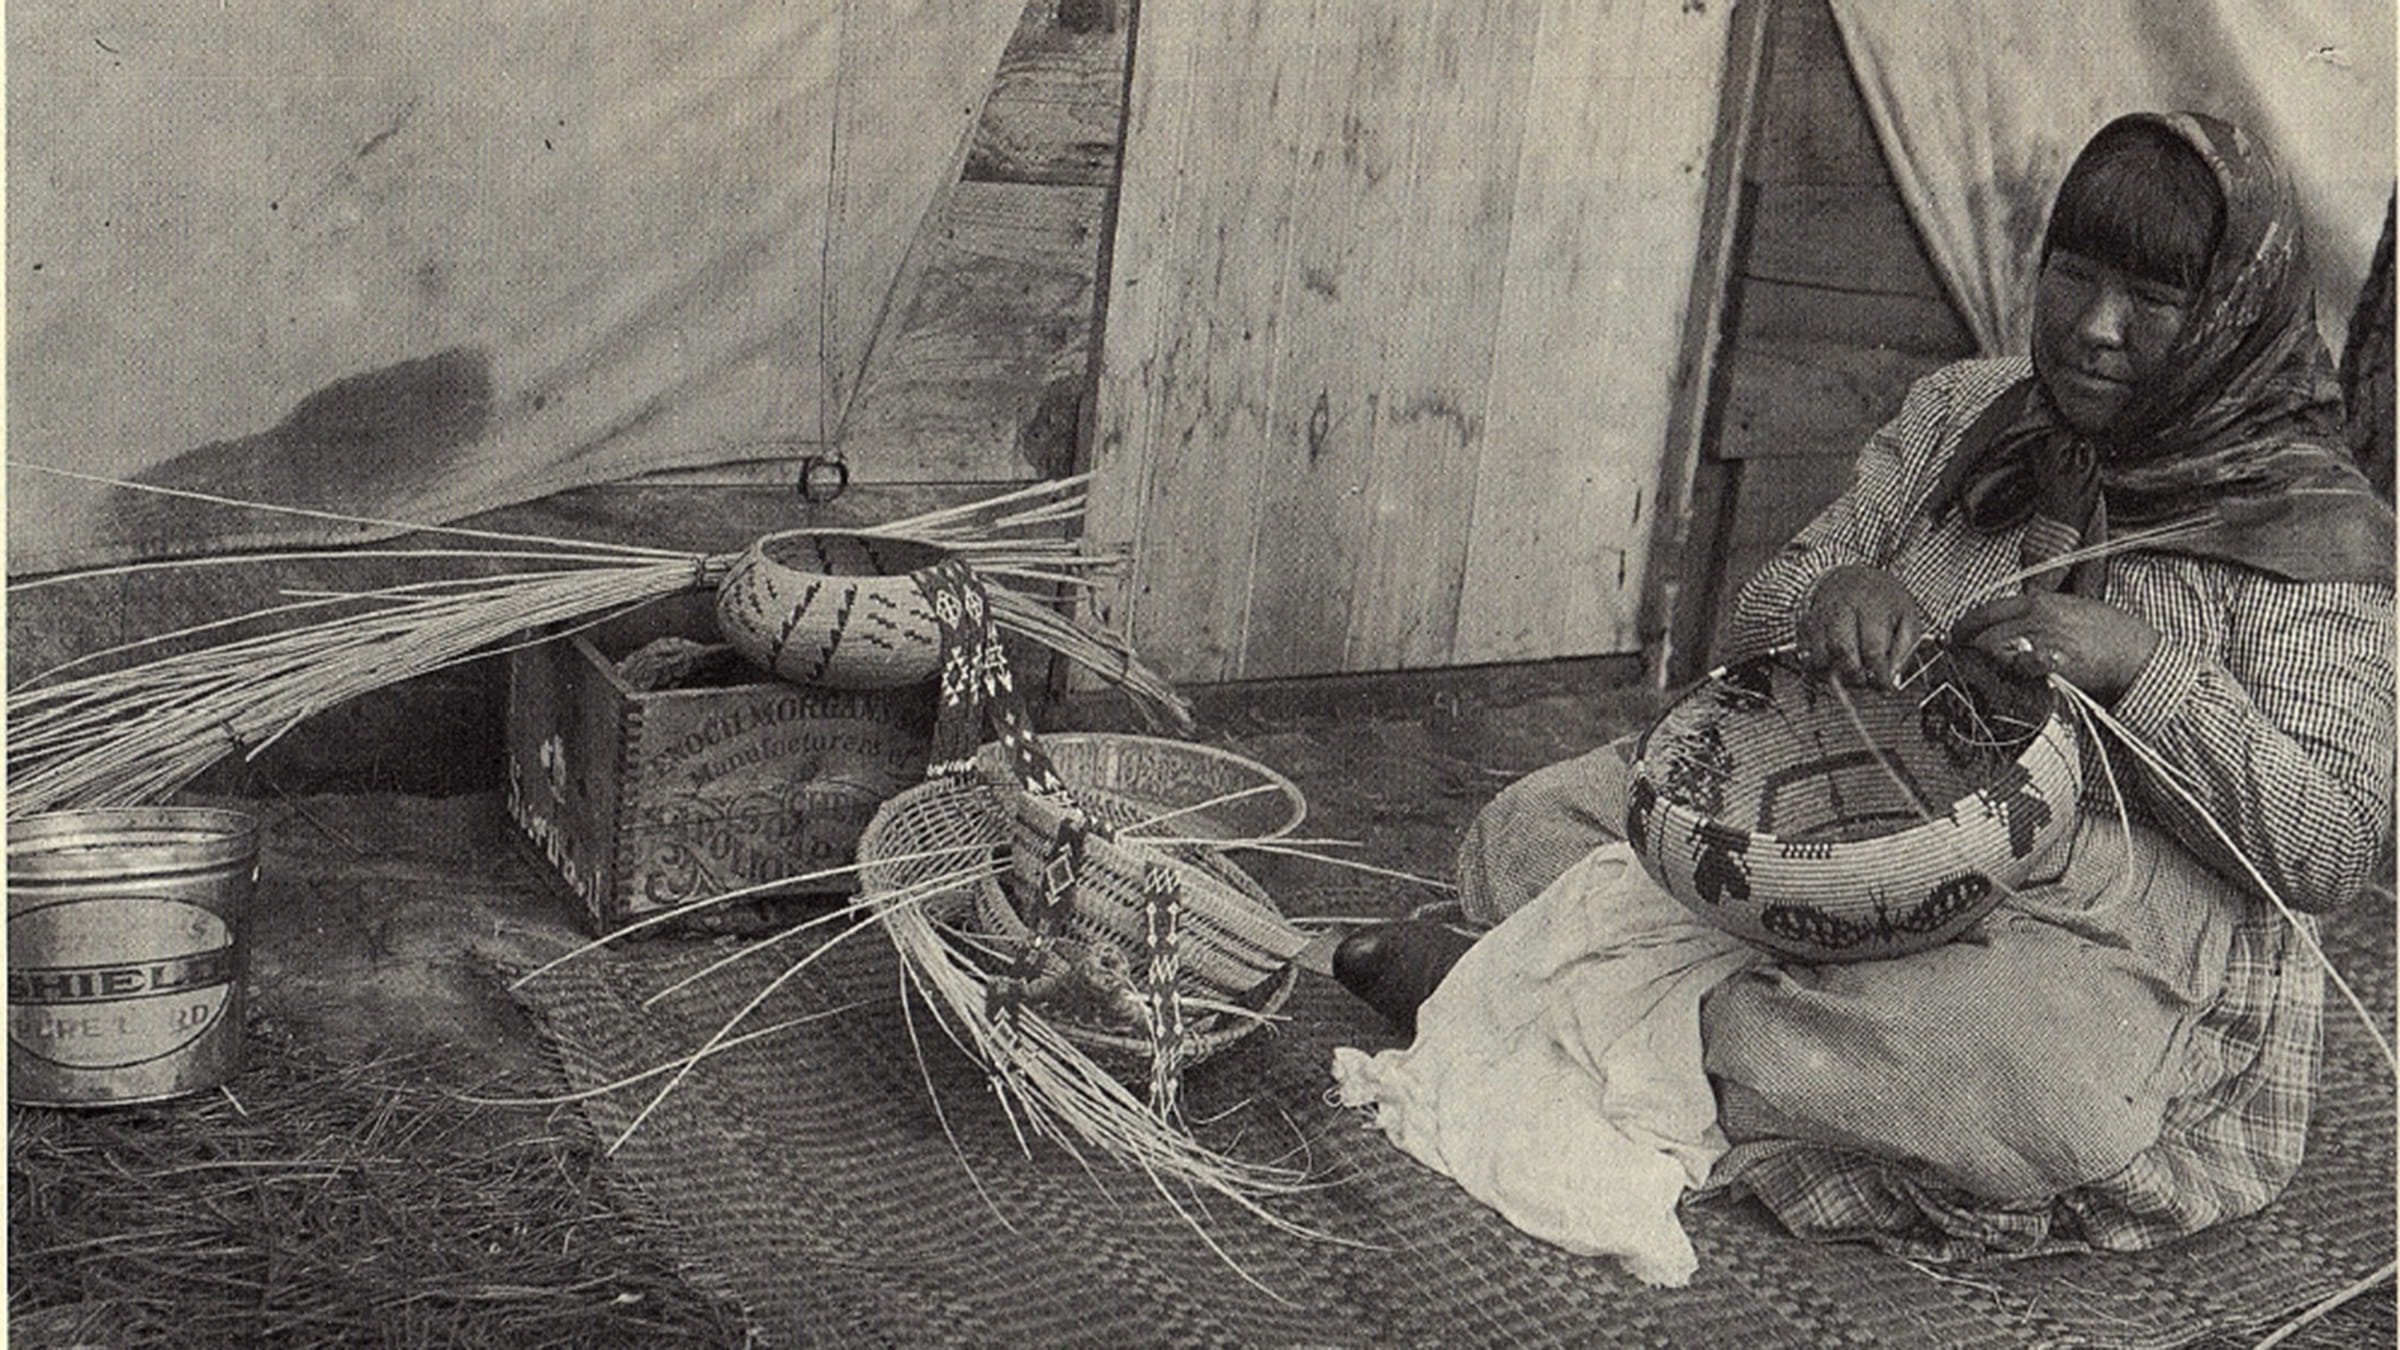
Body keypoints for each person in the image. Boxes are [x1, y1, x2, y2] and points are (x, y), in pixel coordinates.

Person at [1334, 111, 2395, 1256]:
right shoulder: (1967, 418)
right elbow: (1743, 642)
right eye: (2072, 274)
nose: (2093, 328)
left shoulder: (2314, 534)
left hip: (2101, 910)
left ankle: (1559, 998)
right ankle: (1683, 1025)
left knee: (2026, 1080)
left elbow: (2331, 843)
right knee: (1533, 826)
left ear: (2237, 315)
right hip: (1850, 805)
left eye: (2153, 297)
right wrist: (1831, 592)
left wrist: (2140, 668)